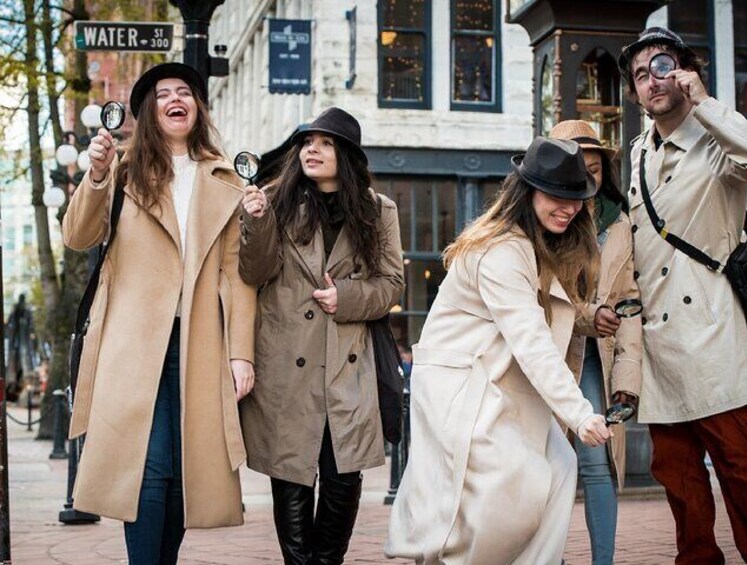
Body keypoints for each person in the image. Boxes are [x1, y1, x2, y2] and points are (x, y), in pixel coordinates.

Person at [62, 62, 257, 564]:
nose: (176, 99)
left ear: (197, 107)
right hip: (131, 343)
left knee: (180, 472)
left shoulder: (226, 180)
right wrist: (97, 174)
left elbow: (236, 274)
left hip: (199, 342)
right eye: (163, 93)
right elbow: (78, 235)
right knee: (146, 469)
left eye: (185, 92)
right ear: (149, 111)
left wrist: (241, 353)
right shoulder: (126, 171)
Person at [385, 137, 611, 565]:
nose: (569, 207)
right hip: (464, 387)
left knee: (557, 467)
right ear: (527, 192)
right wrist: (580, 413)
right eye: (556, 195)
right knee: (485, 505)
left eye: (576, 197)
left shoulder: (534, 242)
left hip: (494, 381)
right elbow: (531, 340)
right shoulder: (502, 249)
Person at [618, 27, 747, 564]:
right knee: (680, 481)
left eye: (661, 66)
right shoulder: (638, 150)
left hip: (714, 335)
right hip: (661, 346)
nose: (651, 82)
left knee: (742, 469)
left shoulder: (718, 138)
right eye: (641, 76)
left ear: (686, 70)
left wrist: (705, 101)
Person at [238, 107, 405, 565]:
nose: (312, 149)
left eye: (325, 142)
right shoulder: (275, 201)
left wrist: (347, 298)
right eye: (307, 142)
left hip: (348, 364)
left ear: (346, 155)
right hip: (287, 362)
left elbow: (392, 284)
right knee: (290, 477)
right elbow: (253, 273)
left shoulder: (379, 211)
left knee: (342, 479)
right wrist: (254, 223)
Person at [550, 120, 642, 565]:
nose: (587, 179)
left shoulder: (621, 224)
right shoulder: (545, 219)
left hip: (597, 360)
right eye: (576, 169)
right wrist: (589, 315)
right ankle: (549, 557)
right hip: (549, 351)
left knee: (597, 463)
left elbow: (629, 305)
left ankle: (601, 561)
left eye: (595, 169)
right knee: (547, 462)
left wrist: (627, 380)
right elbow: (542, 298)